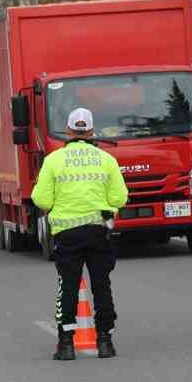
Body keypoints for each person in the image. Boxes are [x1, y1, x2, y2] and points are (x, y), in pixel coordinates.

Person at [31, 107, 128, 361]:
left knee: (68, 286)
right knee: (101, 285)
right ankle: (105, 341)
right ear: (92, 131)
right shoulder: (106, 160)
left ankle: (66, 345)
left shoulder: (54, 160)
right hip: (99, 232)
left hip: (67, 234)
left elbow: (40, 199)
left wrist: (59, 206)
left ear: (69, 131)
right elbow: (120, 197)